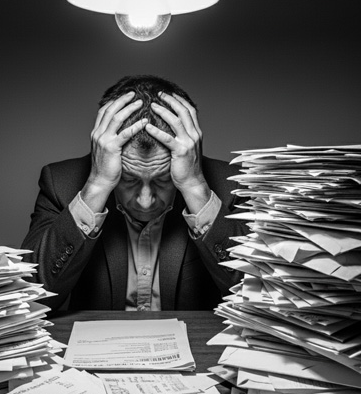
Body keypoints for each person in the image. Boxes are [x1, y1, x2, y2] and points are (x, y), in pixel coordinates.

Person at [21, 75, 245, 311]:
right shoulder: (61, 184)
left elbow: (256, 296)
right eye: (128, 179)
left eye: (163, 179)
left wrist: (194, 186)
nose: (146, 201)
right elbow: (32, 296)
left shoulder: (232, 185)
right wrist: (97, 185)